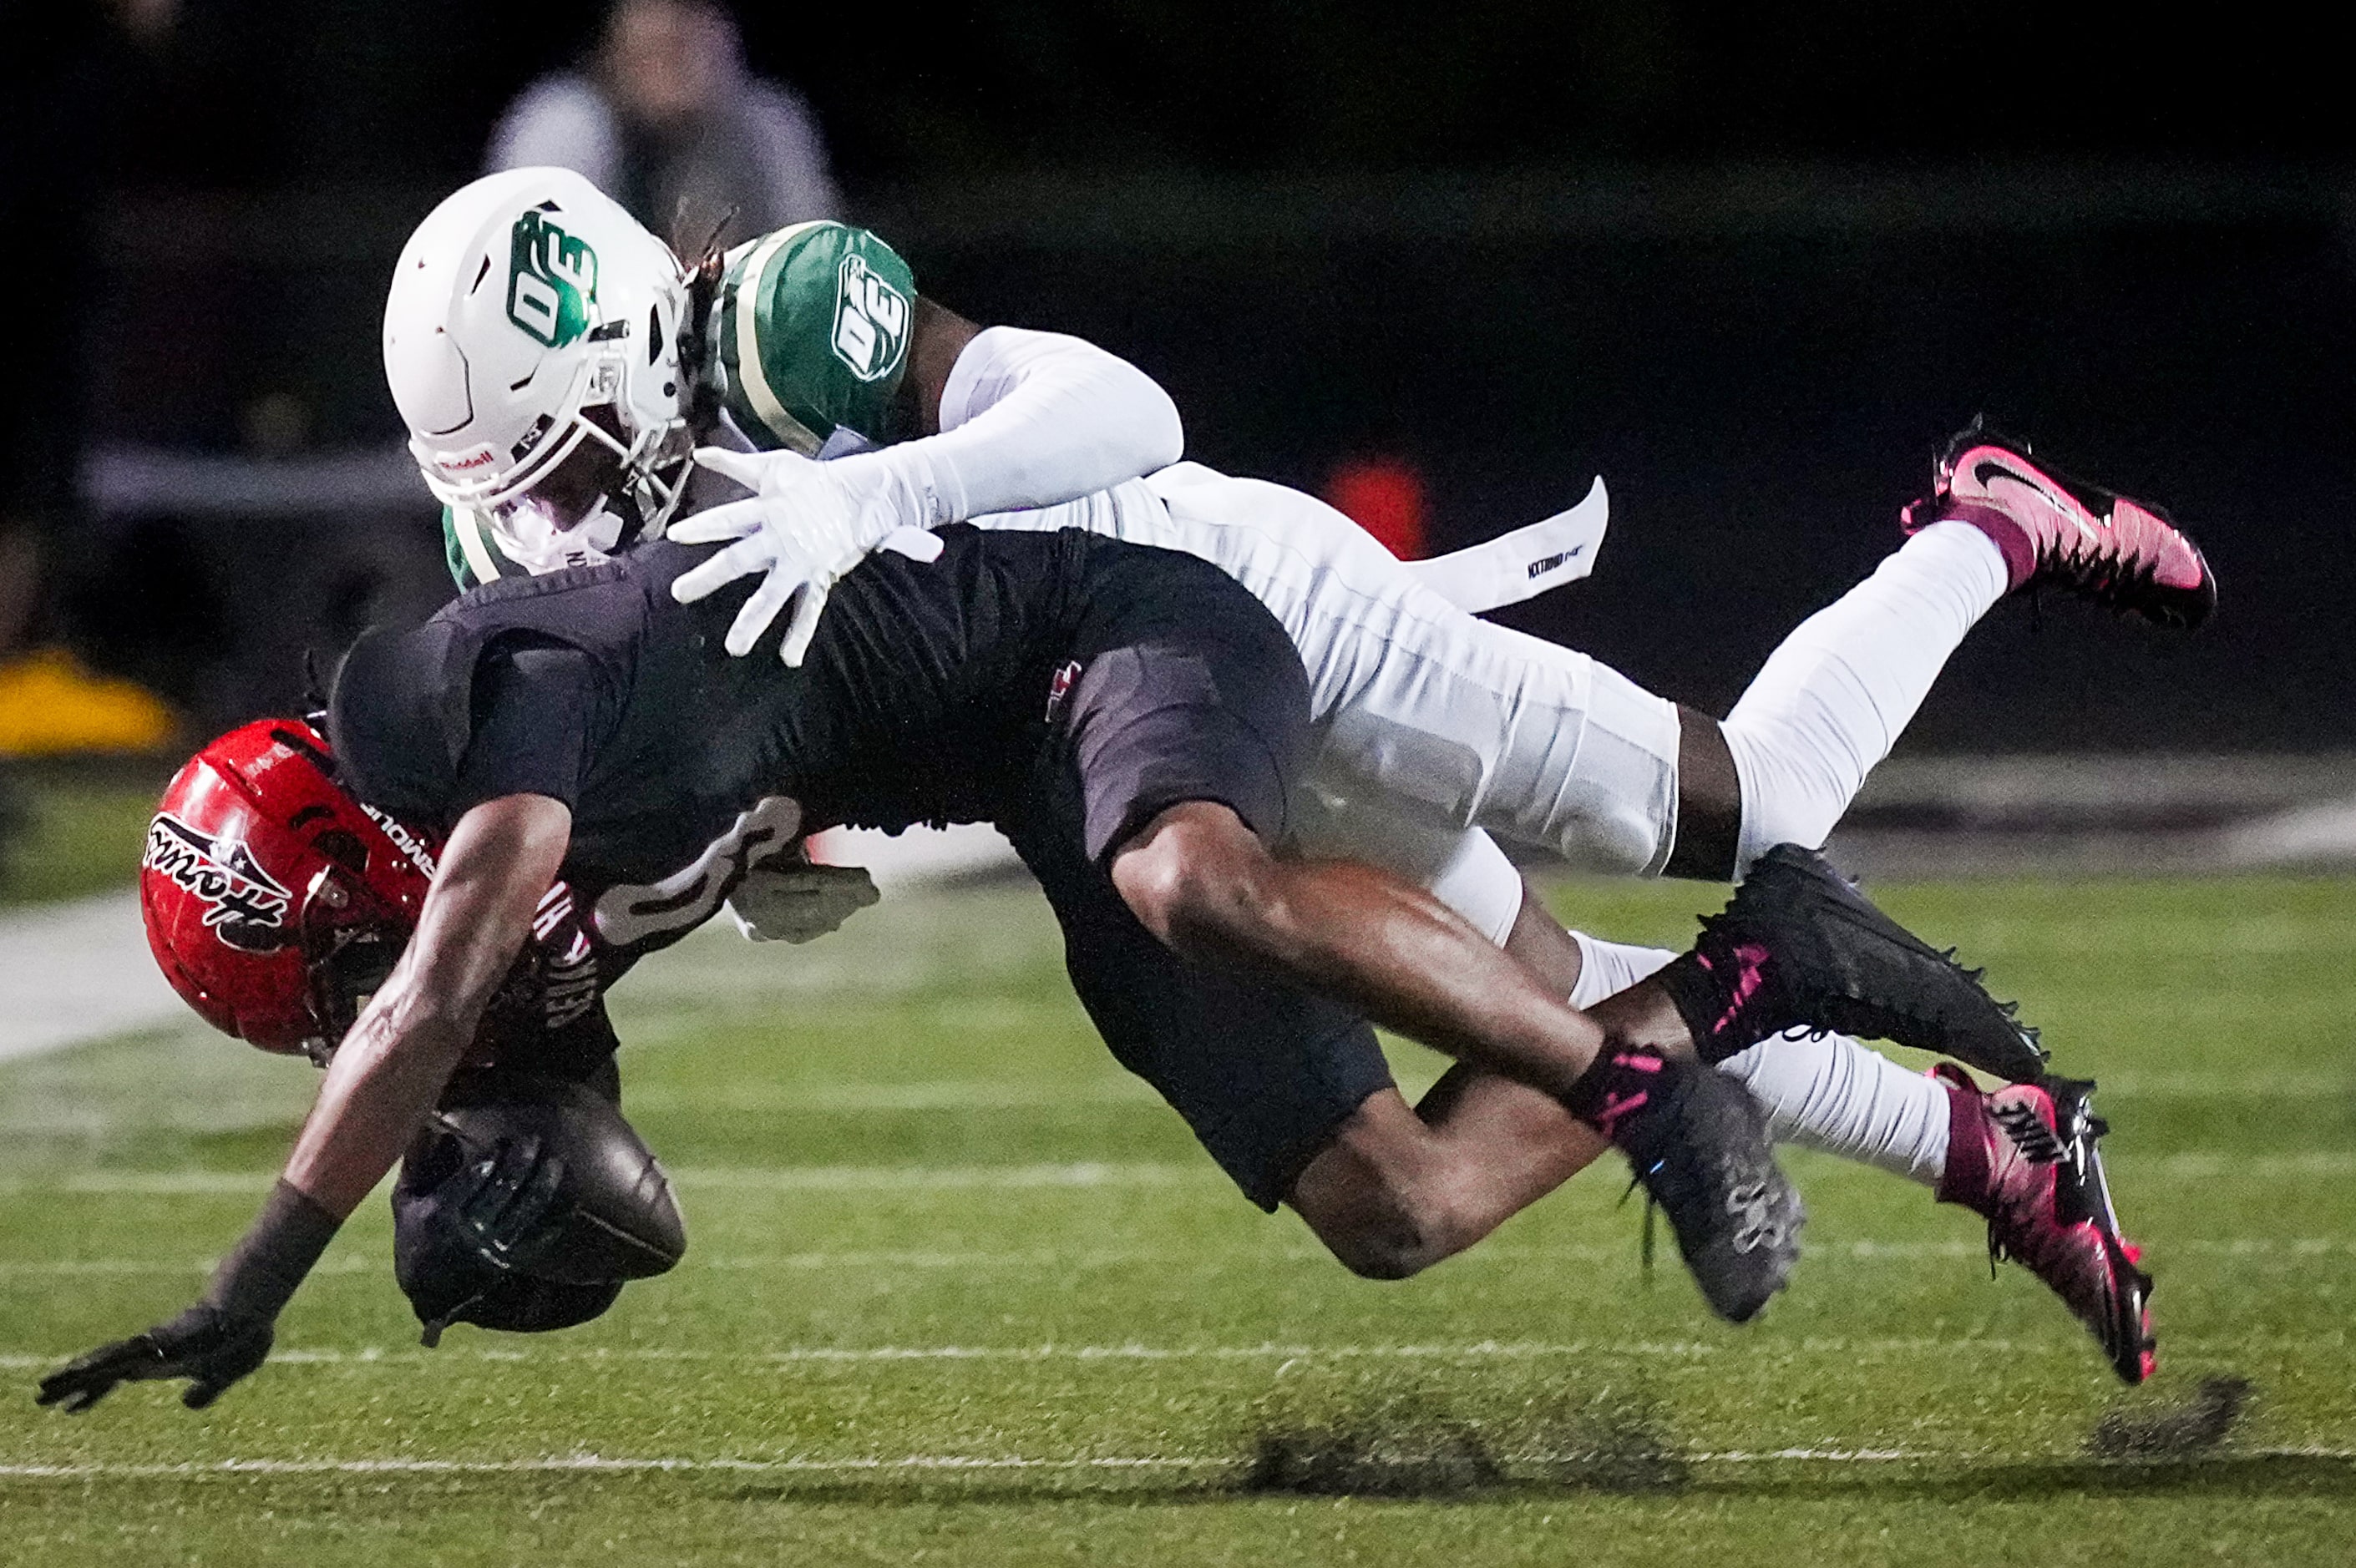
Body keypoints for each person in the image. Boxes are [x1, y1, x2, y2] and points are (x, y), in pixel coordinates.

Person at [381, 169, 2177, 1368]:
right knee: (1507, 1077)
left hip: (1235, 614)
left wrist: (874, 487)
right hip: (1080, 758)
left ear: (631, 341)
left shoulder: (785, 328)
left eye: (560, 465)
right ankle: (1989, 1148)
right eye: (506, 493)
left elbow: (1124, 416)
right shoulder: (523, 569)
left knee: (1750, 806)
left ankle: (1985, 524)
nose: (549, 528)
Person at [38, 505, 2058, 1414]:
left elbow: (444, 968)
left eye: (319, 991)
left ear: (333, 872)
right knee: (1396, 1205)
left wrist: (257, 1281)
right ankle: (1747, 977)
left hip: (1108, 621)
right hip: (1020, 765)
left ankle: (1641, 1092)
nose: (356, 1030)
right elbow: (550, 1088)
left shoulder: (438, 707)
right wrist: (493, 1200)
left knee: (1190, 874)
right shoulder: (473, 873)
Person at [487, 0, 837, 255]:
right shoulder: (563, 126)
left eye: (694, 10)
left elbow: (818, 281)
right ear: (612, 32)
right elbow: (514, 280)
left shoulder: (767, 130)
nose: (673, 30)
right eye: (655, 10)